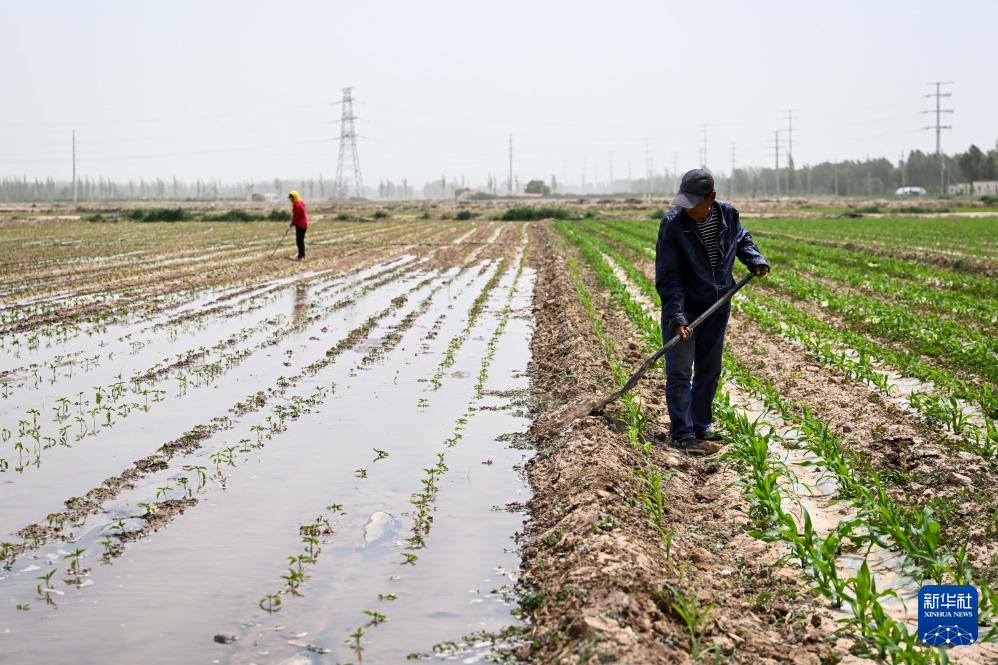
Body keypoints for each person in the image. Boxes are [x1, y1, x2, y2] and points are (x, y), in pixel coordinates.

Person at [654, 169, 770, 455]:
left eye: (693, 203)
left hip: (718, 303)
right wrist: (677, 317)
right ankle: (681, 434)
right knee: (680, 371)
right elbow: (669, 277)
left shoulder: (728, 215)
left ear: (711, 198)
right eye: (684, 201)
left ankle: (699, 426)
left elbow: (742, 239)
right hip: (685, 306)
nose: (687, 208)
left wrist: (754, 259)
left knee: (709, 368)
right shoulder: (673, 225)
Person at [288, 190, 308, 260]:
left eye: (292, 198)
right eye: (290, 198)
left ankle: (301, 256)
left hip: (301, 225)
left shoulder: (297, 206)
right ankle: (301, 255)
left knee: (299, 241)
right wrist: (292, 224)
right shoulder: (300, 203)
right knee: (300, 241)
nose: (291, 200)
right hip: (302, 224)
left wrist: (291, 224)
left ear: (295, 197)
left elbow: (295, 217)